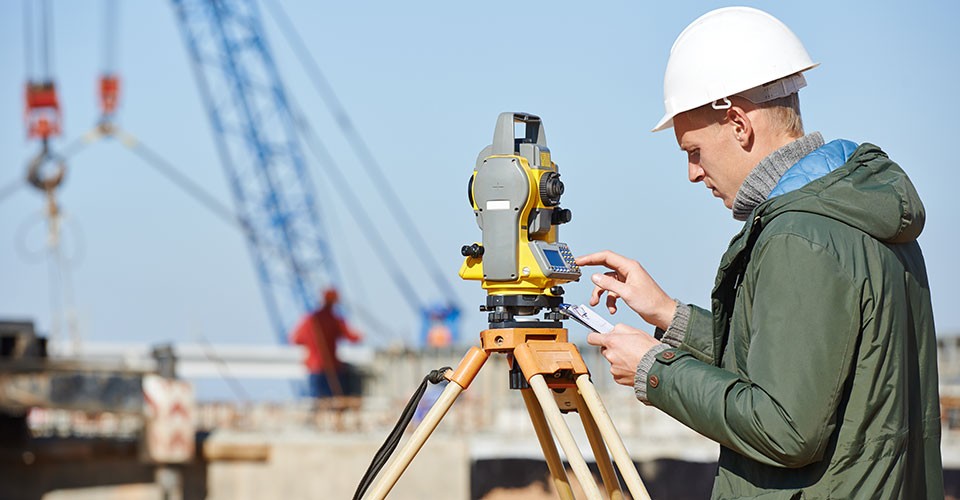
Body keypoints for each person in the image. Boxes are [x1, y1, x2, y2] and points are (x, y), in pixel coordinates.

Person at [577, 7, 943, 498]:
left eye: (694, 151)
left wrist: (654, 370)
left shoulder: (799, 235)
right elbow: (799, 369)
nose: (692, 173)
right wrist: (669, 315)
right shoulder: (853, 214)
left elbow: (786, 428)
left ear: (737, 124)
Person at [289, 288, 363, 399]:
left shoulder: (309, 320)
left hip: (315, 369)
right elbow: (353, 338)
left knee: (318, 403)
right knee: (333, 403)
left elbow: (295, 339)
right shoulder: (334, 320)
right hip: (332, 369)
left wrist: (311, 343)